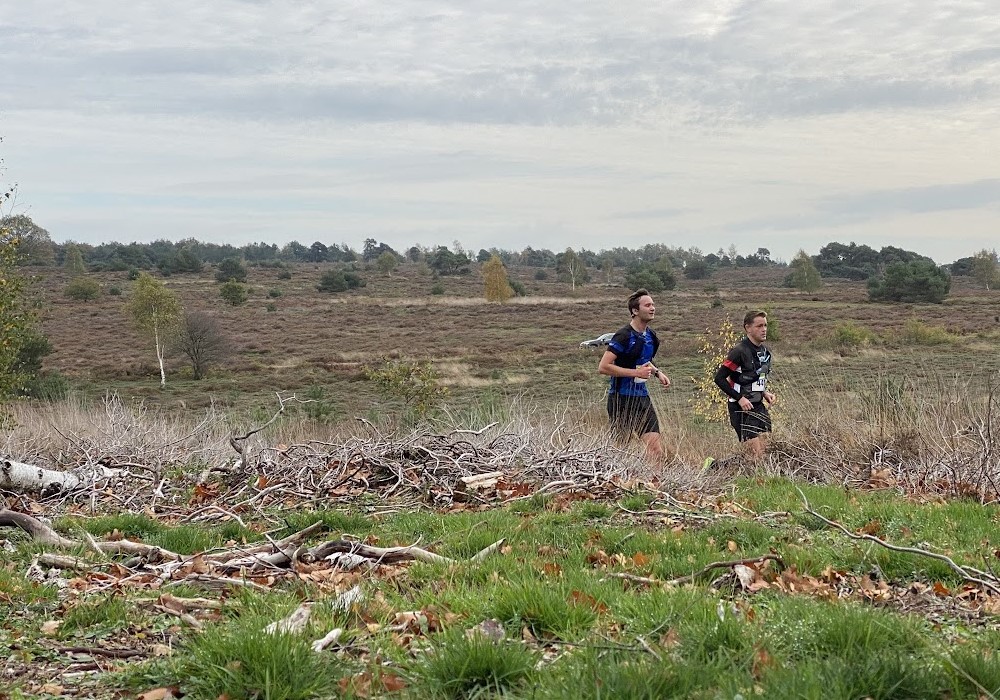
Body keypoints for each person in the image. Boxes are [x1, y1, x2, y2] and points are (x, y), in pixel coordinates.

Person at [598, 288, 671, 463]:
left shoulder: (651, 336)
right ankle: (615, 484)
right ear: (635, 311)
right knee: (619, 450)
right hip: (620, 399)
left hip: (642, 398)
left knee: (655, 449)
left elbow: (643, 359)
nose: (652, 308)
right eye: (647, 305)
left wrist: (657, 372)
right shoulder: (623, 335)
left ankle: (653, 487)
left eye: (653, 304)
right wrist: (635, 373)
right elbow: (603, 367)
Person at [713, 310, 776, 461]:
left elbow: (755, 377)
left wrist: (764, 392)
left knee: (767, 454)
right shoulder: (739, 351)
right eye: (759, 326)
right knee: (755, 457)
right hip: (740, 409)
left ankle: (725, 468)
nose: (764, 329)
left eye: (765, 325)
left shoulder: (765, 351)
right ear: (748, 328)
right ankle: (714, 467)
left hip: (758, 406)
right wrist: (740, 398)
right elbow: (719, 378)